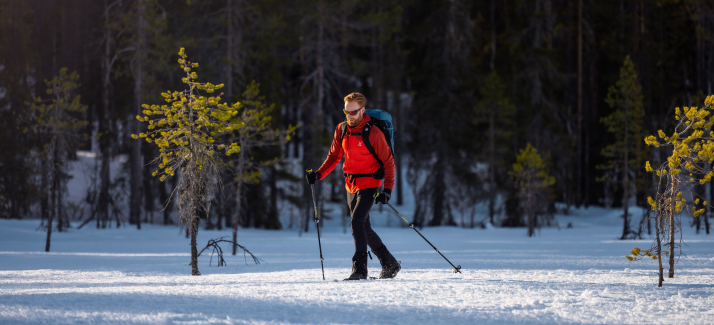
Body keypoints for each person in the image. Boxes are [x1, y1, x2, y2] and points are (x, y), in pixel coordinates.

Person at [305, 92, 400, 280]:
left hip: (370, 182)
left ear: (362, 110)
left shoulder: (373, 132)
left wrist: (387, 190)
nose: (349, 116)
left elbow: (388, 162)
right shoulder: (341, 129)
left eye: (354, 112)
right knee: (364, 227)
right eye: (346, 112)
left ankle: (360, 269)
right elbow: (334, 156)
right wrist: (318, 174)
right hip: (351, 184)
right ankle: (389, 263)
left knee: (356, 222)